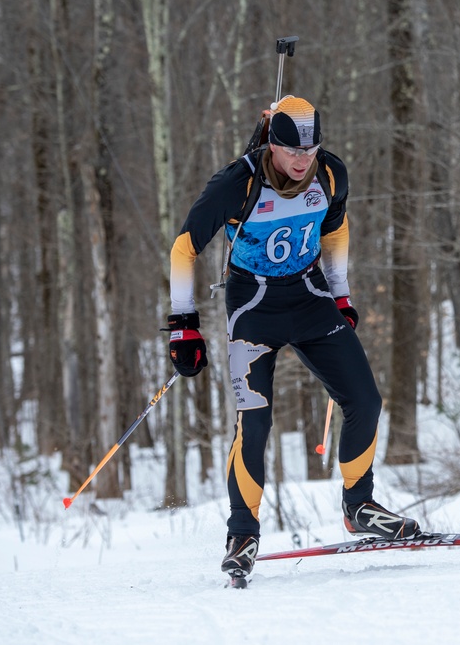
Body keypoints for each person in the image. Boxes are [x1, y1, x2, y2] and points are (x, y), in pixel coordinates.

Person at [165, 95, 420, 580]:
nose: (303, 160)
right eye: (292, 150)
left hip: (308, 297)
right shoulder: (235, 183)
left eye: (311, 149)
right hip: (253, 307)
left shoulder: (329, 175)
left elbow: (336, 230)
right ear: (272, 144)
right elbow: (184, 248)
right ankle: (243, 532)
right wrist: (184, 325)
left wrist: (340, 296)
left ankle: (359, 506)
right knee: (255, 421)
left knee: (365, 400)